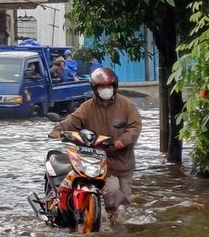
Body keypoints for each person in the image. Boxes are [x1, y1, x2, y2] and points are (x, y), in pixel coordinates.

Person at [48, 67, 142, 224]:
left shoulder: (126, 105)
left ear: (115, 86)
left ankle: (113, 222)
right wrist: (57, 131)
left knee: (124, 199)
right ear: (95, 89)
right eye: (102, 87)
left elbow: (135, 127)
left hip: (123, 160)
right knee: (111, 192)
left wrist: (122, 141)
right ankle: (100, 215)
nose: (106, 90)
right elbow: (73, 120)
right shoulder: (87, 107)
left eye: (109, 86)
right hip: (99, 160)